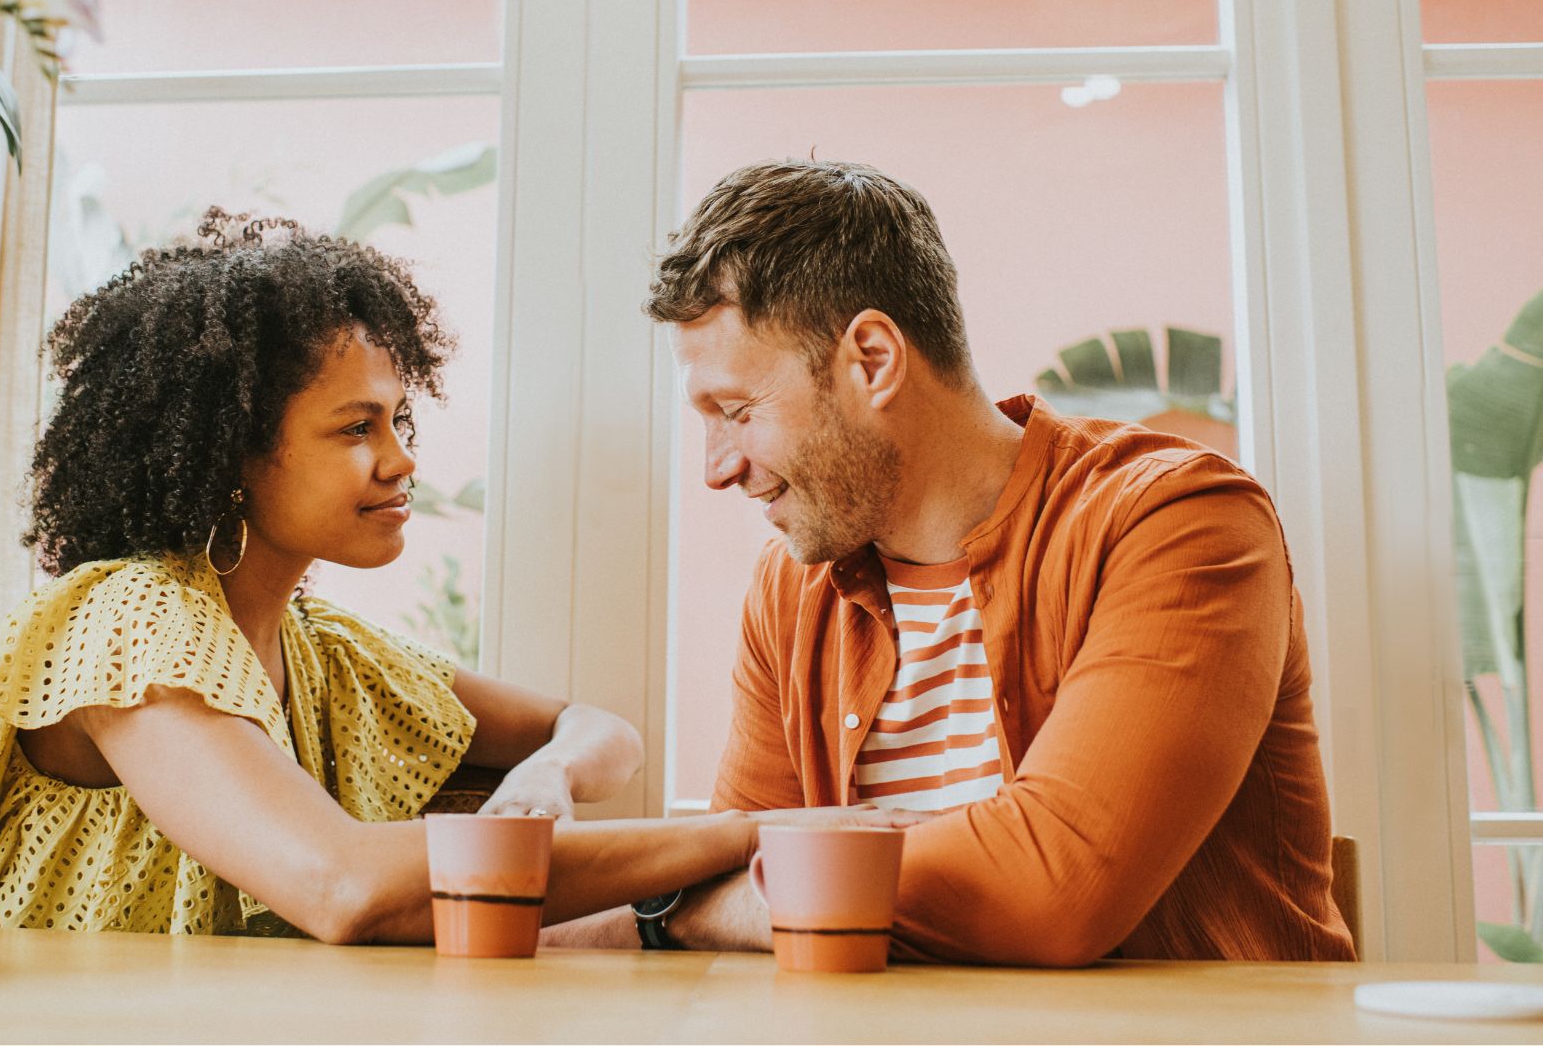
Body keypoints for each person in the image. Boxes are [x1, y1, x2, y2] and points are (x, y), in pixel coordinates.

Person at [0, 210, 890, 941]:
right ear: (231, 454)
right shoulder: (134, 624)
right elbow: (345, 886)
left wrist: (549, 774)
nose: (401, 458)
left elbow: (599, 731)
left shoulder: (322, 653)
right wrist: (751, 834)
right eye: (356, 428)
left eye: (400, 419)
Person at [544, 160, 1356, 965]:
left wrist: (685, 914)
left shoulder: (1177, 522)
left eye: (737, 410)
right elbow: (726, 869)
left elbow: (1052, 889)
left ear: (873, 359)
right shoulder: (792, 589)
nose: (718, 466)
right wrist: (702, 903)